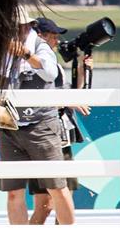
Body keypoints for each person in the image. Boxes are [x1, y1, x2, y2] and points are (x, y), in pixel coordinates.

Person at [0, 18, 75, 225]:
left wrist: (25, 54)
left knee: (57, 188)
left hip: (41, 125)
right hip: (10, 125)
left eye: (20, 26)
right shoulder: (0, 47)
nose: (15, 30)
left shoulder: (41, 46)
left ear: (29, 26)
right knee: (14, 193)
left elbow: (50, 73)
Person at [24, 18, 91, 224]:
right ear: (39, 36)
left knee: (63, 196)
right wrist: (68, 102)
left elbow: (69, 92)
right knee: (45, 204)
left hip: (61, 136)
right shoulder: (30, 65)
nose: (56, 41)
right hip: (45, 132)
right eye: (52, 36)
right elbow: (41, 99)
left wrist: (82, 68)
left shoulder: (52, 64)